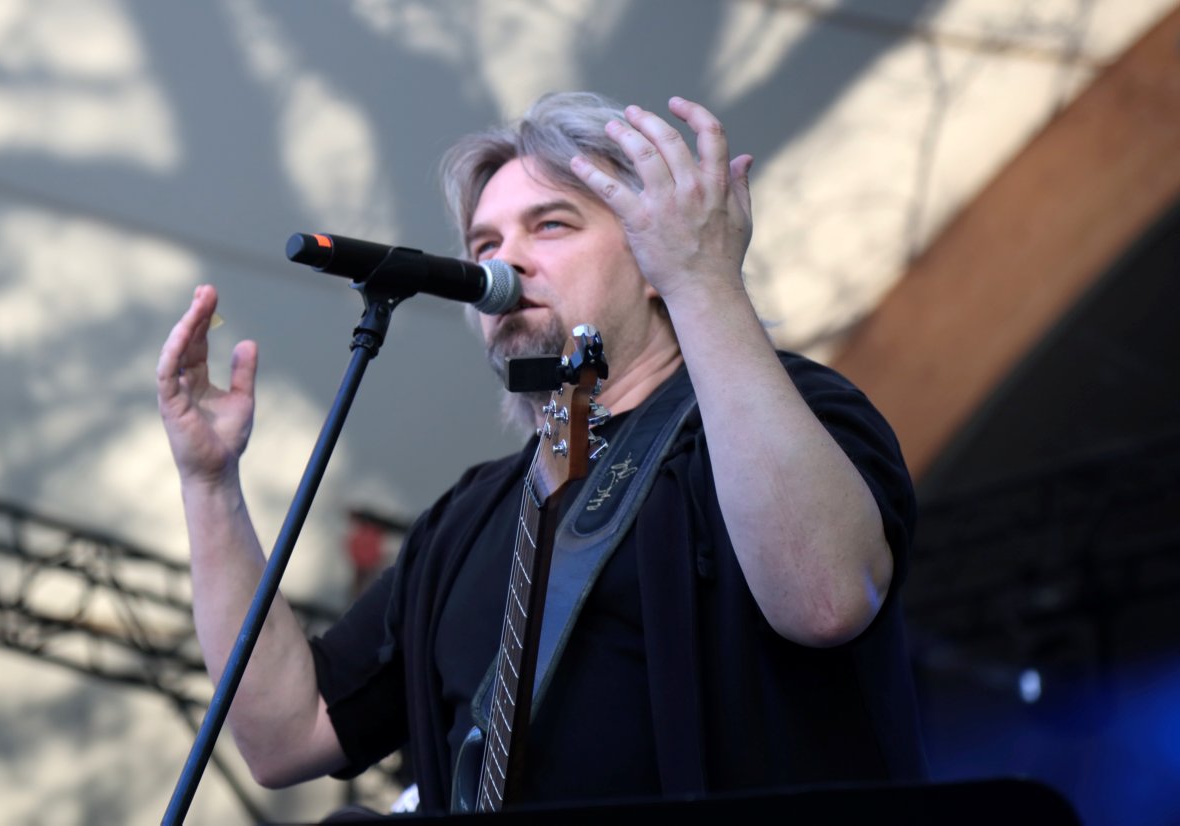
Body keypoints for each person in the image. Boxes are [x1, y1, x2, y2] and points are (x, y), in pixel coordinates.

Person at [156, 92, 925, 814]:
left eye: (550, 225)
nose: (503, 264)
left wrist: (703, 282)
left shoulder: (792, 412)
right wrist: (209, 483)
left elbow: (826, 600)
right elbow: (285, 736)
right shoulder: (467, 518)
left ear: (653, 255)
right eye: (485, 243)